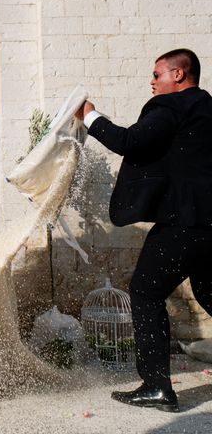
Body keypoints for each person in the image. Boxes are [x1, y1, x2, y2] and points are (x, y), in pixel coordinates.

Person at [76, 48, 212, 412]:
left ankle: (157, 387)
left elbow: (130, 142)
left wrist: (90, 116)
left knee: (145, 291)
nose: (151, 82)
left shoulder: (171, 107)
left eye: (157, 74)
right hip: (211, 226)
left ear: (178, 75)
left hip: (183, 222)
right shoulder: (207, 111)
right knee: (210, 293)